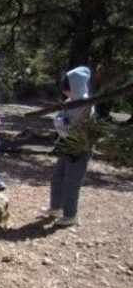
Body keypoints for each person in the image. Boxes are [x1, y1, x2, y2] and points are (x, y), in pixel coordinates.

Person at [42, 66, 94, 228]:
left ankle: (70, 215)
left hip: (80, 147)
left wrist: (62, 123)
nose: (64, 92)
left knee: (72, 181)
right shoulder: (69, 102)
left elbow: (69, 125)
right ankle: (56, 207)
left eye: (67, 88)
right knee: (58, 176)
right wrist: (62, 123)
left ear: (75, 86)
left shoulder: (87, 104)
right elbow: (60, 121)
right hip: (66, 143)